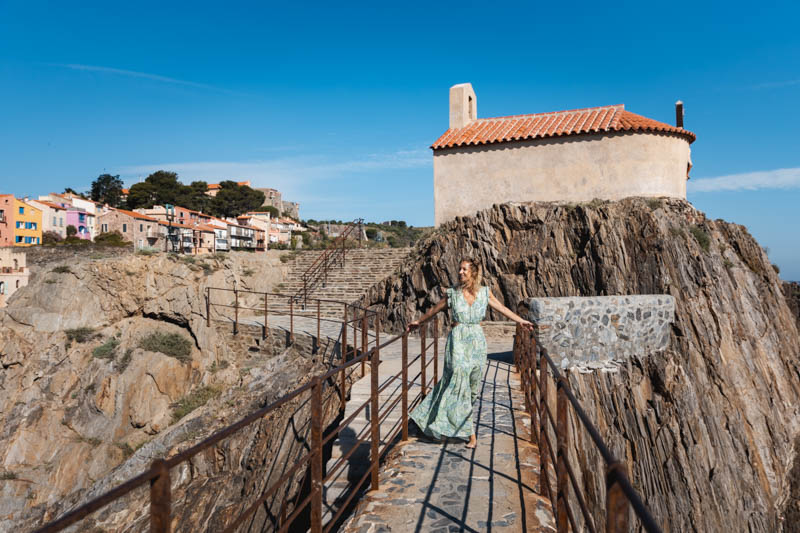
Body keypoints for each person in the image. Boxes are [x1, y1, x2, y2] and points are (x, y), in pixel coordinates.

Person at [407, 258, 534, 448]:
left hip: (476, 342)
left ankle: (429, 419)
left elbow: (503, 308)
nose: (460, 272)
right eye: (459, 269)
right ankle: (470, 434)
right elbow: (434, 309)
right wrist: (419, 322)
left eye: (464, 269)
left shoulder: (484, 292)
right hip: (457, 340)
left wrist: (520, 321)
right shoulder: (453, 294)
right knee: (459, 380)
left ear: (473, 272)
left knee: (472, 387)